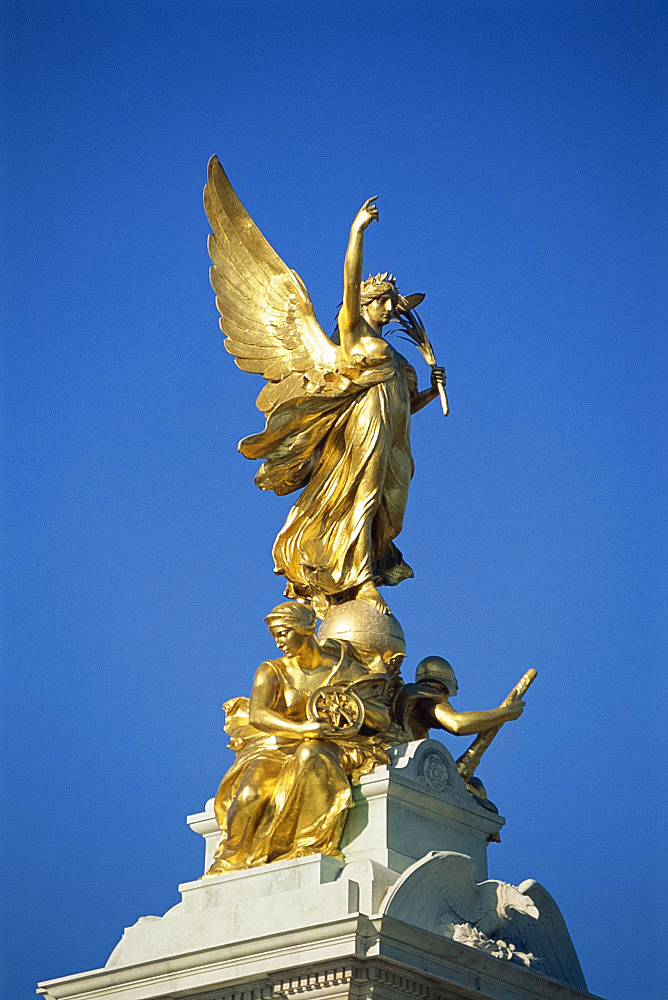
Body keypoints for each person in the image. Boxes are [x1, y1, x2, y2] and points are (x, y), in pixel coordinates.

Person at [240, 197, 445, 617]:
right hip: (365, 429)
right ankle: (362, 580)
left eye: (393, 302)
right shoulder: (353, 337)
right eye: (382, 301)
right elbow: (349, 282)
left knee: (391, 506)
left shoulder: (394, 356)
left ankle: (369, 562)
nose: (389, 309)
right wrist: (357, 231)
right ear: (366, 304)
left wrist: (427, 392)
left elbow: (402, 402)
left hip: (395, 436)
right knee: (364, 496)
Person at [204, 602, 394, 875]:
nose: (279, 642)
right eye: (275, 636)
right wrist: (303, 730)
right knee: (249, 794)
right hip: (276, 745)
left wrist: (352, 705)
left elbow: (382, 719)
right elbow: (259, 715)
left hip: (332, 744)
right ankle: (229, 861)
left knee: (311, 755)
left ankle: (308, 844)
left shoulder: (345, 668)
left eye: (284, 633)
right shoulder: (271, 670)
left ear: (307, 630)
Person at [395, 656, 525, 741]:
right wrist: (507, 713)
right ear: (444, 688)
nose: (446, 701)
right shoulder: (426, 695)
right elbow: (457, 724)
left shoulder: (410, 696)